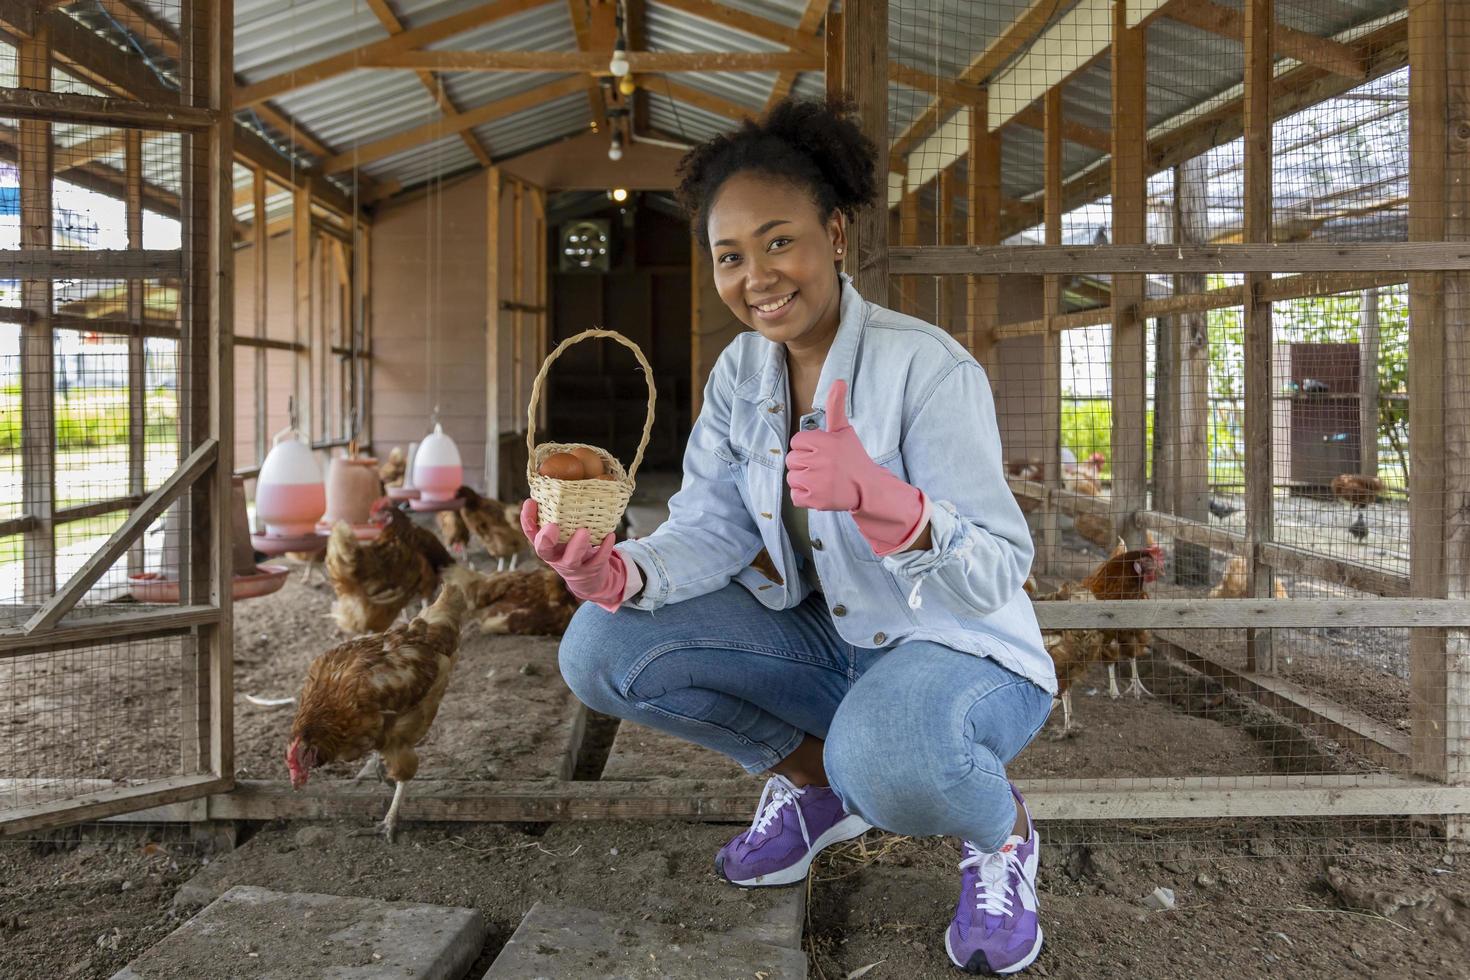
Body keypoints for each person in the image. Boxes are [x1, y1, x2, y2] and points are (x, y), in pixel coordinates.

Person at [520, 97, 1056, 976]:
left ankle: (1003, 836)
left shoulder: (925, 367)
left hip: (959, 648)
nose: (757, 275)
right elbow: (711, 526)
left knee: (890, 762)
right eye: (730, 256)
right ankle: (816, 789)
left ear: (836, 233)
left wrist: (892, 505)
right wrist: (622, 573)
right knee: (601, 648)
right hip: (834, 641)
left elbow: (999, 570)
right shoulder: (740, 373)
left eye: (779, 241)